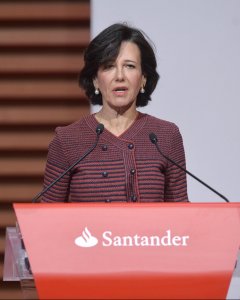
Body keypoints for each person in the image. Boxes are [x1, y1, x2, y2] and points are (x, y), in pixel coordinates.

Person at [41, 23, 188, 203]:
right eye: (109, 66)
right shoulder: (67, 140)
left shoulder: (166, 136)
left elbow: (181, 216)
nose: (120, 76)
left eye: (130, 66)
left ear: (143, 78)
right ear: (95, 80)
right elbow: (48, 218)